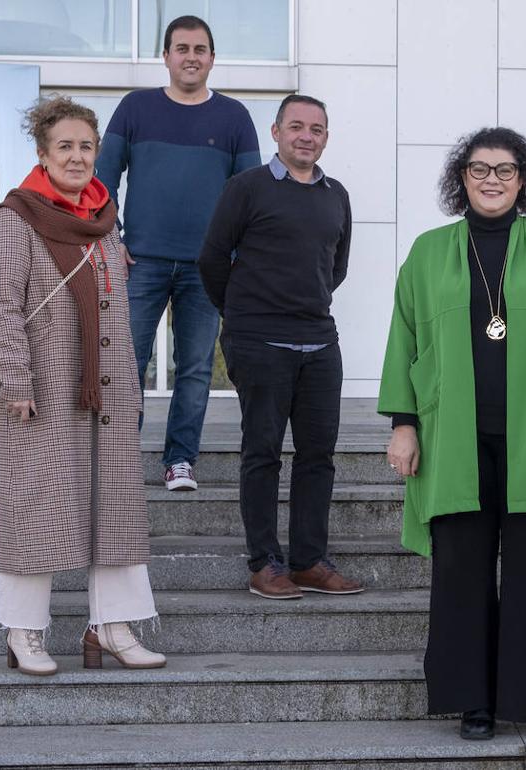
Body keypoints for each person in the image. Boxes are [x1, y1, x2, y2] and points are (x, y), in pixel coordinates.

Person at [378, 127, 526, 741]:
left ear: (524, 179)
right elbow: (404, 338)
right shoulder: (428, 251)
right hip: (451, 431)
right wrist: (403, 424)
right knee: (461, 568)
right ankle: (473, 699)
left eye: (505, 171)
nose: (492, 180)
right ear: (462, 178)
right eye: (480, 169)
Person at [0, 96, 165, 675]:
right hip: (39, 391)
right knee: (36, 508)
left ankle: (112, 627)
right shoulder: (15, 218)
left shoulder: (104, 220)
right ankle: (23, 633)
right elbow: (2, 307)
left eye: (87, 146)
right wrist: (15, 381)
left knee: (114, 509)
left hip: (105, 392)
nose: (78, 156)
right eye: (65, 146)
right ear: (42, 153)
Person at [200, 95, 361, 600]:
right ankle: (265, 563)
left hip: (319, 343)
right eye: (296, 127)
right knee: (262, 453)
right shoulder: (246, 188)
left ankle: (309, 561)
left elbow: (336, 268)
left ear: (326, 138)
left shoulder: (336, 195)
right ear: (276, 132)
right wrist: (244, 314)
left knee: (318, 455)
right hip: (258, 341)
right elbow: (211, 260)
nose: (306, 136)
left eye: (316, 129)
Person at [96, 14, 260, 492]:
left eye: (200, 49)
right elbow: (104, 179)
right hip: (140, 261)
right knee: (128, 363)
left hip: (205, 268)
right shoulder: (134, 108)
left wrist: (234, 253)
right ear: (165, 56)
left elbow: (247, 194)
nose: (191, 57)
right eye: (182, 48)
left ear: (212, 58)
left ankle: (180, 461)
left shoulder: (234, 118)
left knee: (195, 368)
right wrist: (112, 237)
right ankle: (120, 457)